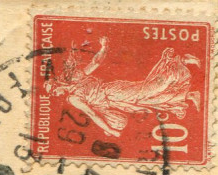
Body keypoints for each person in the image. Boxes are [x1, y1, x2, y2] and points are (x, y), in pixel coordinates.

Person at [47, 38, 201, 137]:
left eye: (54, 91)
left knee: (148, 90)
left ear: (57, 85)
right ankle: (189, 95)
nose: (56, 94)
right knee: (149, 100)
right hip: (114, 100)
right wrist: (108, 127)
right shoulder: (74, 90)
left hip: (112, 93)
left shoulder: (74, 91)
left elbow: (92, 113)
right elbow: (94, 113)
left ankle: (180, 61)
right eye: (53, 94)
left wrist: (104, 47)